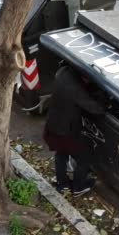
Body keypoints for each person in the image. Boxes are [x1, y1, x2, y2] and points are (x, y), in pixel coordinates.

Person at [44, 66, 105, 196]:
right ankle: (78, 187)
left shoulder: (64, 74)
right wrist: (103, 103)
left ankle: (62, 184)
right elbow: (96, 109)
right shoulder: (76, 89)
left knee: (61, 154)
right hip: (67, 131)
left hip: (53, 125)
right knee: (85, 158)